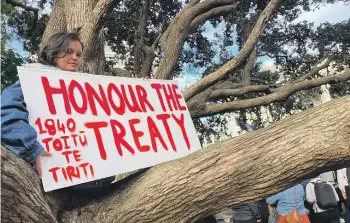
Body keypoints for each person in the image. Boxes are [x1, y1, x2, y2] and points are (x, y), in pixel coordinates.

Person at [1, 32, 114, 189]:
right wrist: (31, 149)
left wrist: (141, 90)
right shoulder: (32, 80)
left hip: (96, 179)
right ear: (53, 52)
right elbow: (7, 114)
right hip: (58, 179)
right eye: (68, 51)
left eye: (79, 54)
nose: (75, 57)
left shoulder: (84, 89)